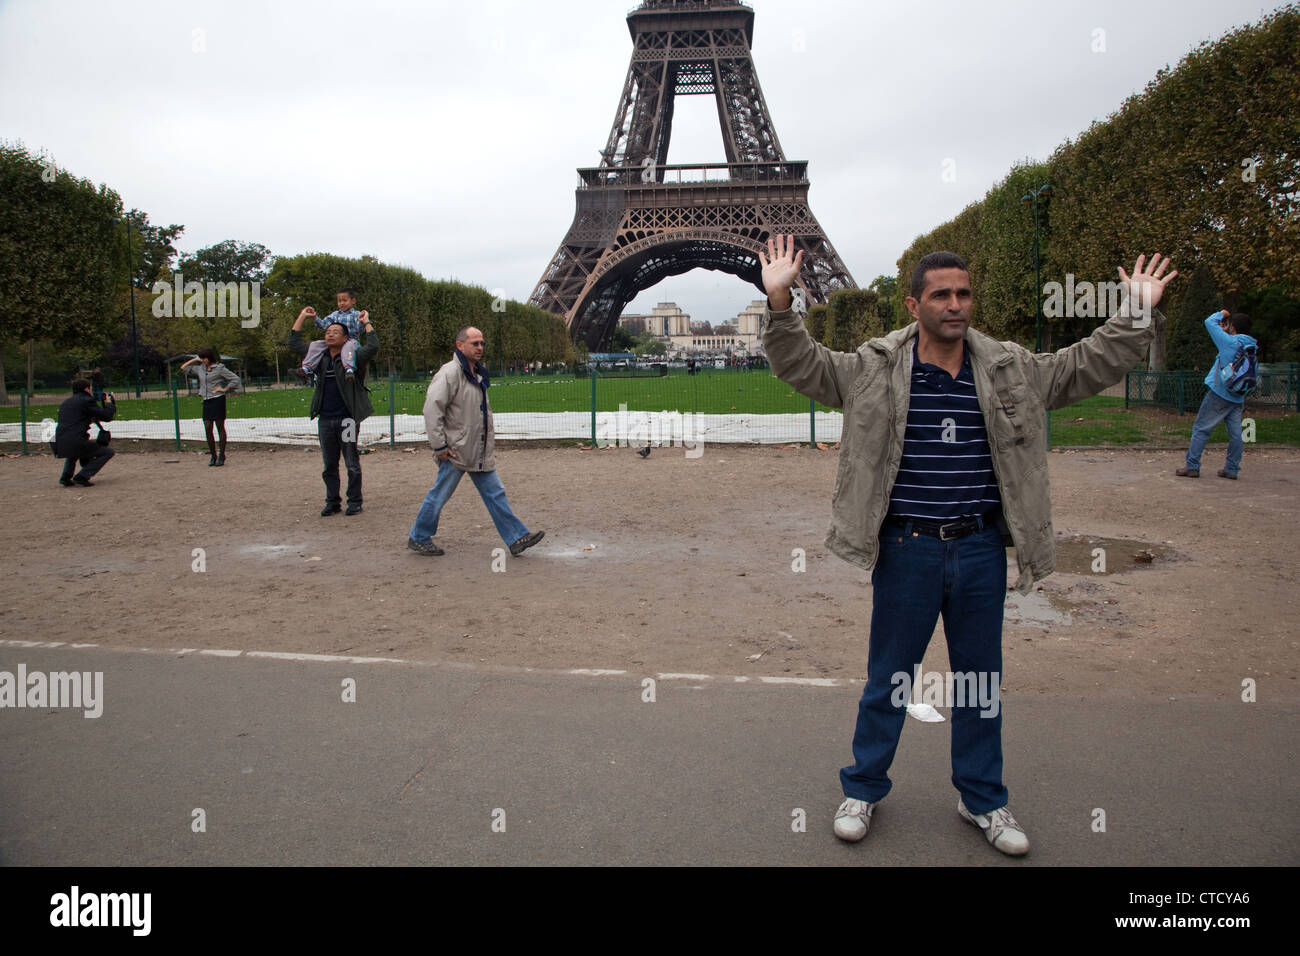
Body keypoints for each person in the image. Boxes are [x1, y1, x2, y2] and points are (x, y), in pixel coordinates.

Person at [759, 235, 1177, 856]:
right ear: (914, 305)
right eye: (941, 295)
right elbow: (804, 365)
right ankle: (864, 787)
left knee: (981, 681)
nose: (955, 304)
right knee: (889, 679)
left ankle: (982, 797)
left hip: (980, 548)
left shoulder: (1010, 366)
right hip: (908, 548)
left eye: (963, 293)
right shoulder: (873, 367)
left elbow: (1086, 363)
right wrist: (780, 300)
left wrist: (1136, 312)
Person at [406, 326, 544, 557]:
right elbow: (432, 409)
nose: (480, 347)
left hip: (477, 448)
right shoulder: (450, 373)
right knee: (440, 494)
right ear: (460, 345)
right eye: (475, 343)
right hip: (457, 450)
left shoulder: (477, 373)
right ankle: (419, 536)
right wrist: (439, 445)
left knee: (495, 493)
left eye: (482, 343)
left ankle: (517, 537)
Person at [289, 307, 379, 516]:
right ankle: (332, 502)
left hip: (347, 419)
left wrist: (366, 322)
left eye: (335, 332)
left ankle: (354, 501)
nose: (330, 334)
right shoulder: (319, 357)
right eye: (328, 332)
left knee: (351, 462)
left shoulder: (354, 355)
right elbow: (294, 343)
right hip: (326, 420)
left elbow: (373, 346)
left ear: (346, 337)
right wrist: (302, 316)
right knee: (329, 464)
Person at [1176, 310, 1257, 480]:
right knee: (1236, 435)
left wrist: (1222, 313)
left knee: (1201, 429)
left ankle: (1192, 466)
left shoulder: (1230, 342)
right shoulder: (1251, 347)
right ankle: (1232, 468)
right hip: (1238, 396)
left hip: (1220, 393)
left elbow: (1209, 322)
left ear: (1233, 327)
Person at [179, 348, 241, 466]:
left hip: (217, 399)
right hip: (206, 400)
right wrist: (194, 359)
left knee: (219, 427)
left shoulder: (219, 368)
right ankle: (213, 455)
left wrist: (224, 389)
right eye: (201, 358)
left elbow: (235, 379)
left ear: (209, 358)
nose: (203, 360)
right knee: (208, 427)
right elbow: (183, 368)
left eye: (204, 358)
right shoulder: (200, 368)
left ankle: (222, 455)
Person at [52, 378, 117, 487]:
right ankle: (82, 476)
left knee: (73, 449)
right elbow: (106, 416)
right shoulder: (87, 401)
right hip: (76, 440)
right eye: (90, 388)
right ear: (86, 389)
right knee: (107, 452)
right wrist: (110, 403)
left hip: (58, 440)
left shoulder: (66, 402)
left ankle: (66, 477)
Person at [300, 289, 365, 382]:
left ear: (353, 301)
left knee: (349, 347)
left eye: (344, 300)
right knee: (315, 344)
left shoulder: (356, 315)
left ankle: (349, 369)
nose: (342, 303)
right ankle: (307, 368)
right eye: (339, 301)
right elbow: (323, 325)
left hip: (350, 340)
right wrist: (314, 317)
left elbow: (360, 329)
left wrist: (363, 321)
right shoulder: (335, 315)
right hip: (335, 341)